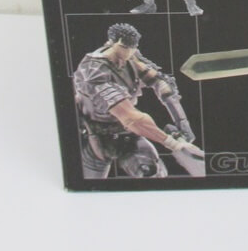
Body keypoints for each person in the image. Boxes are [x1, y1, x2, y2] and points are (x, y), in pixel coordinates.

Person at [73, 23, 203, 178]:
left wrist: (182, 122)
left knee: (152, 173)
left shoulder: (131, 56)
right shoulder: (93, 72)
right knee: (90, 184)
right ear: (111, 42)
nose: (128, 52)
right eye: (124, 47)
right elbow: (131, 118)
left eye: (132, 47)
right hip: (96, 138)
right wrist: (173, 144)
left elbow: (158, 81)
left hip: (128, 135)